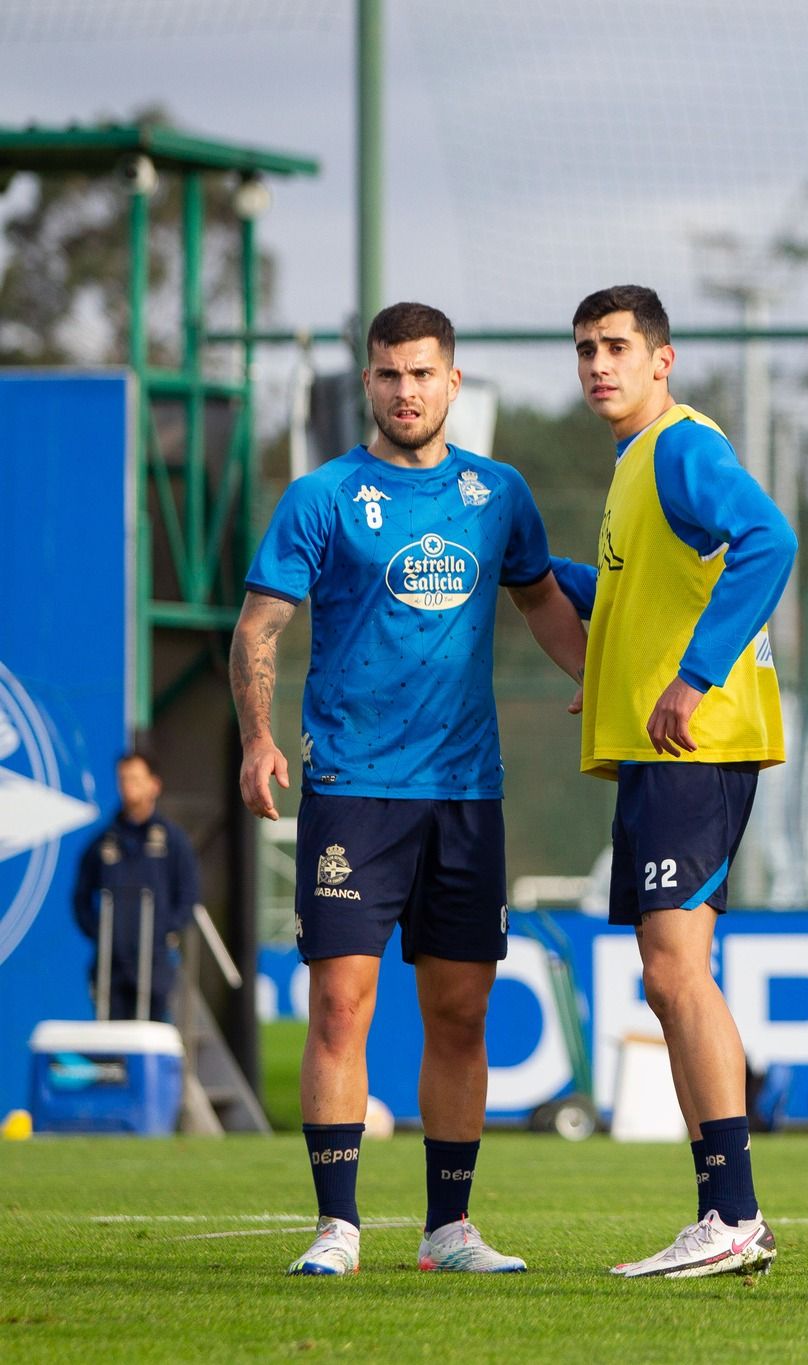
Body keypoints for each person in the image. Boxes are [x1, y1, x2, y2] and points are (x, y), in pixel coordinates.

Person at [231, 301, 586, 1278]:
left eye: (422, 373)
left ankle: (448, 1229)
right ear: (368, 382)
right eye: (388, 374)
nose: (405, 391)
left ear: (453, 381)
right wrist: (259, 738)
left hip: (466, 793)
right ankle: (337, 1226)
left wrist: (594, 684)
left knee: (461, 1012)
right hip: (352, 785)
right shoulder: (322, 497)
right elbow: (259, 627)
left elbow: (542, 599)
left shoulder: (499, 493)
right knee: (342, 1007)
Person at [560, 285, 796, 1282]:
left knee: (672, 971)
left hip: (695, 743)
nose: (598, 365)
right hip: (668, 749)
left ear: (662, 359)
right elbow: (632, 598)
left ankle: (734, 1213)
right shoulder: (631, 468)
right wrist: (535, 571)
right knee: (671, 975)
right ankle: (724, 1215)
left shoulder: (682, 449)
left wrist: (694, 677)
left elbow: (770, 540)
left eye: (616, 347)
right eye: (583, 350)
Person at [71, 750, 198, 1023]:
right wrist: (101, 933)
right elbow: (80, 898)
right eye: (124, 779)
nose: (129, 786)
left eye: (136, 779)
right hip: (110, 964)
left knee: (151, 1038)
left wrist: (164, 929)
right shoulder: (104, 841)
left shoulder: (172, 840)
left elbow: (188, 895)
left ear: (154, 784)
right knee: (111, 1044)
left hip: (155, 963)